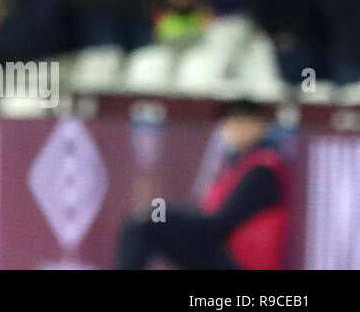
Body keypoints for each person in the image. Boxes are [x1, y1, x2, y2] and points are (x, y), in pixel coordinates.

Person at [117, 100, 289, 270]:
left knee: (147, 223)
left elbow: (218, 224)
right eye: (229, 122)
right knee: (142, 221)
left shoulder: (262, 171)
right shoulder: (239, 166)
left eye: (241, 122)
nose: (234, 130)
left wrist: (164, 215)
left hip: (238, 262)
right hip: (224, 252)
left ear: (260, 125)